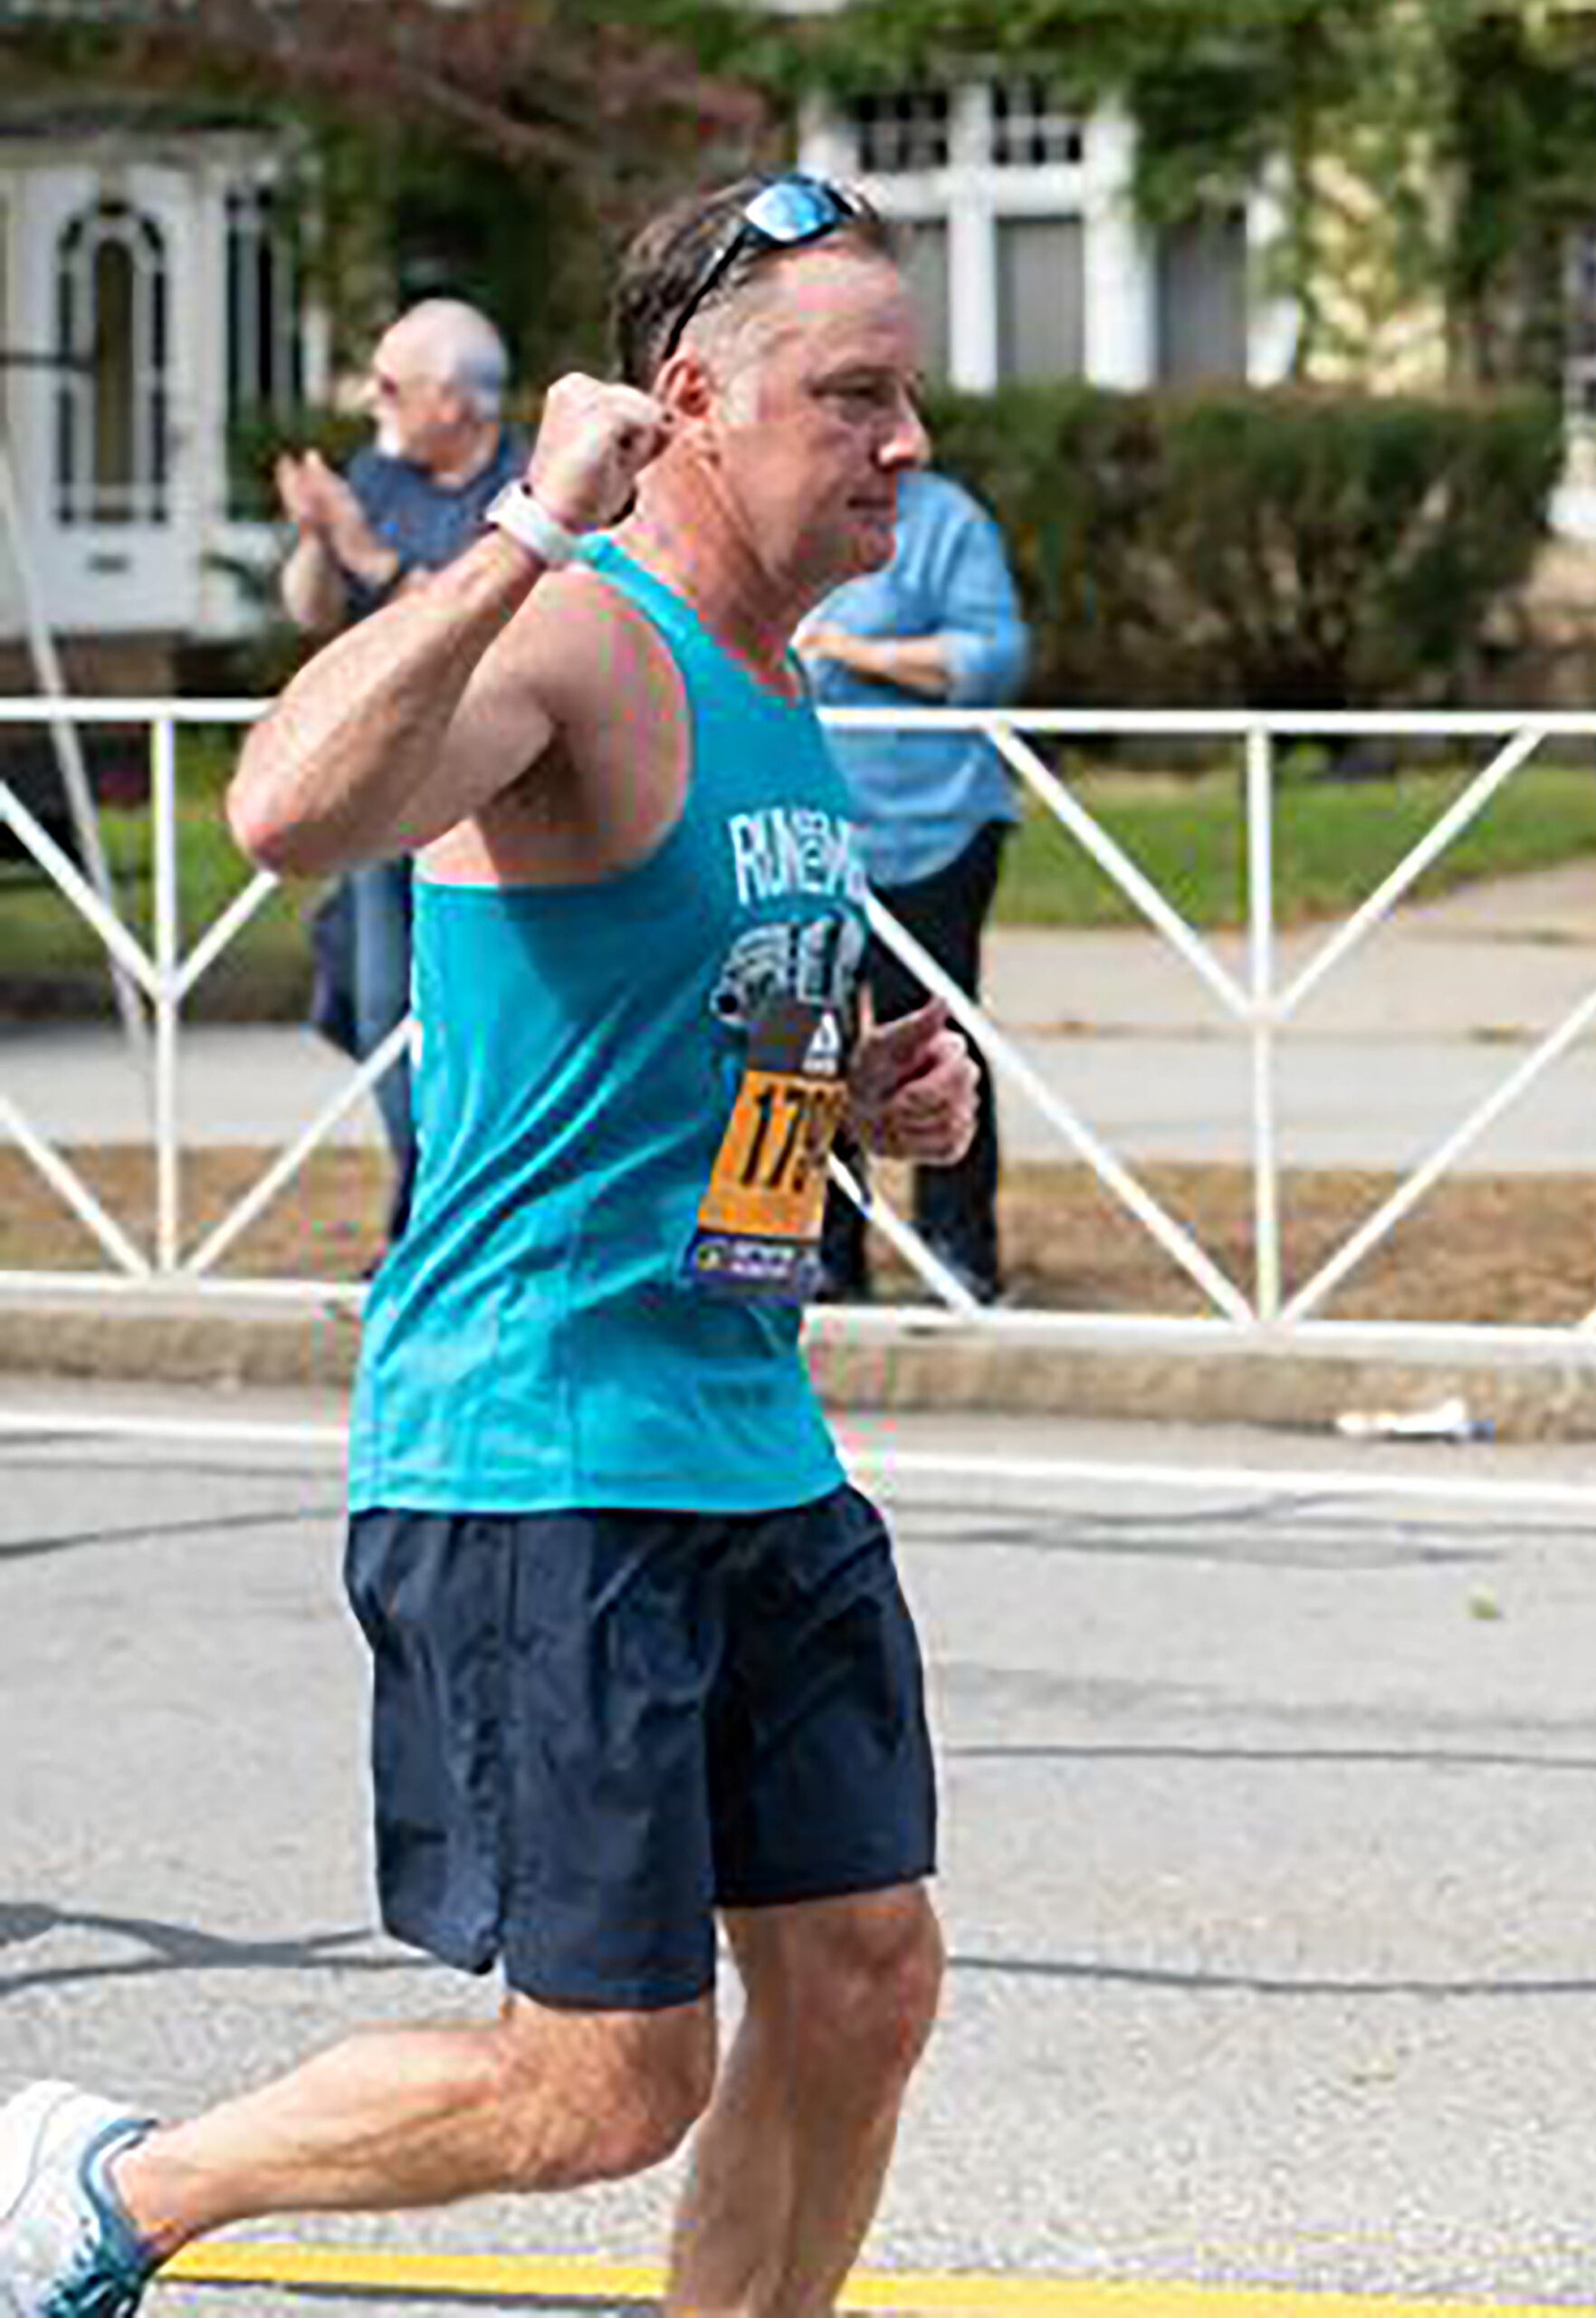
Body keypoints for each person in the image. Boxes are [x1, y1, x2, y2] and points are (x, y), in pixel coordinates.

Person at [0, 175, 979, 2318]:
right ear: (690, 402)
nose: (903, 441)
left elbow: (689, 1047)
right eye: (854, 396)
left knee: (862, 1981)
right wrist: (518, 521)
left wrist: (863, 1099)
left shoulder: (764, 675)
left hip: (745, 1434)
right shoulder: (572, 628)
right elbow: (283, 810)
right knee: (602, 2077)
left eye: (904, 395)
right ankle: (112, 2178)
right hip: (543, 1450)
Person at [277, 298, 526, 1250]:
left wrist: (364, 549)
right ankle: (421, 1209)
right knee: (379, 1009)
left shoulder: (529, 483)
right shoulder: (378, 475)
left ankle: (464, 1214)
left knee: (486, 1015)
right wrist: (314, 535)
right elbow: (310, 611)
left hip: (490, 798)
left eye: (393, 384)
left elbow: (478, 617)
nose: (374, 401)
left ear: (457, 399)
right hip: (381, 789)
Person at [801, 467, 1028, 1307]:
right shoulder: (780, 511)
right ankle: (821, 1252)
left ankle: (956, 1251)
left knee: (931, 1042)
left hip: (930, 828)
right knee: (804, 1040)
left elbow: (993, 658)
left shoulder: (945, 516)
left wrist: (859, 655)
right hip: (804, 829)